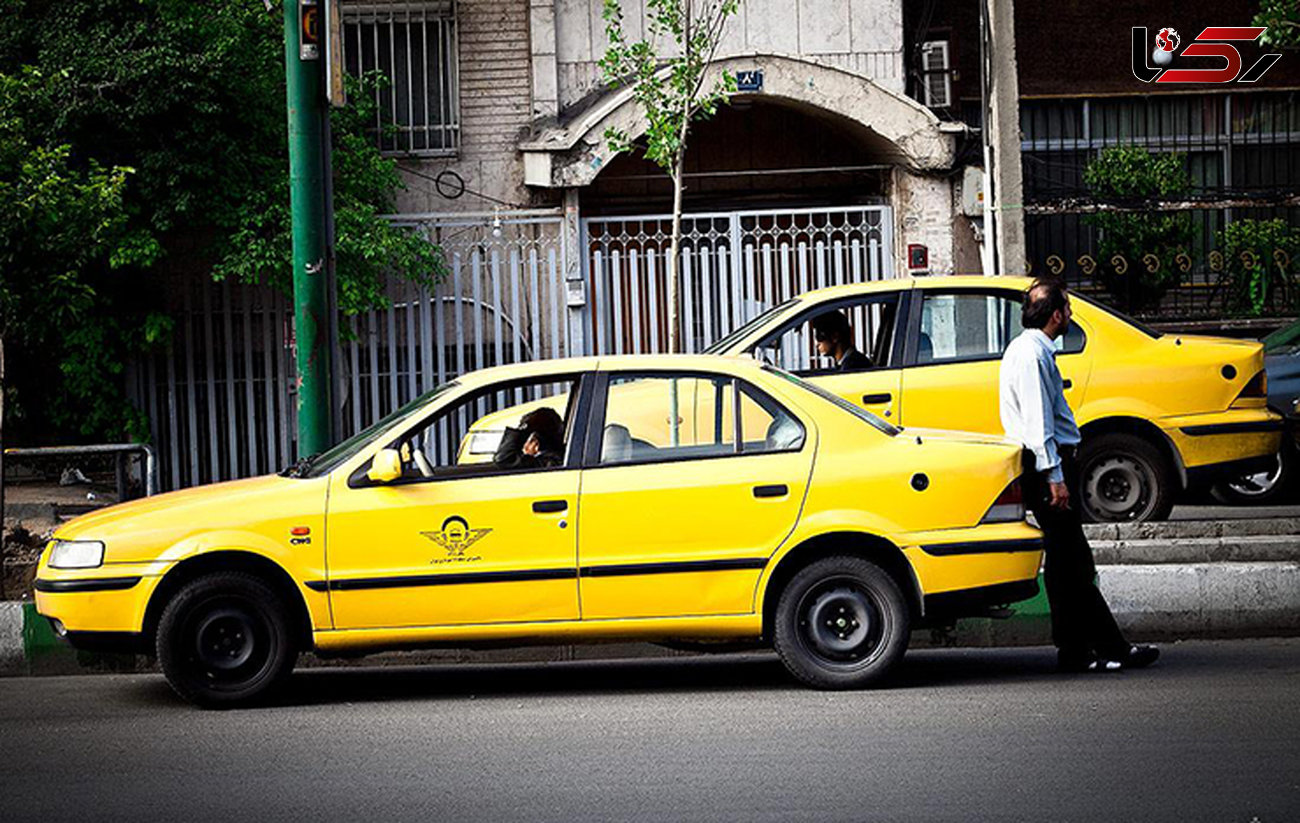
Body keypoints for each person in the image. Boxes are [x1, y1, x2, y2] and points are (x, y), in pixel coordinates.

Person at [999, 278, 1159, 673]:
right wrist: (1055, 476)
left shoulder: (1028, 349)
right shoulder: (1033, 355)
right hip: (1048, 467)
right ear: (1056, 315)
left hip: (1047, 465)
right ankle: (1110, 649)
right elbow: (1039, 424)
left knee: (1064, 563)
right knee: (1074, 563)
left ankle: (1074, 649)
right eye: (1067, 309)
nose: (1069, 315)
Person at [494, 407, 565, 469]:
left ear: (536, 445)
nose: (525, 447)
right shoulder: (558, 459)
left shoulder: (549, 463)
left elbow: (503, 459)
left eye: (530, 440)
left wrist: (523, 428)